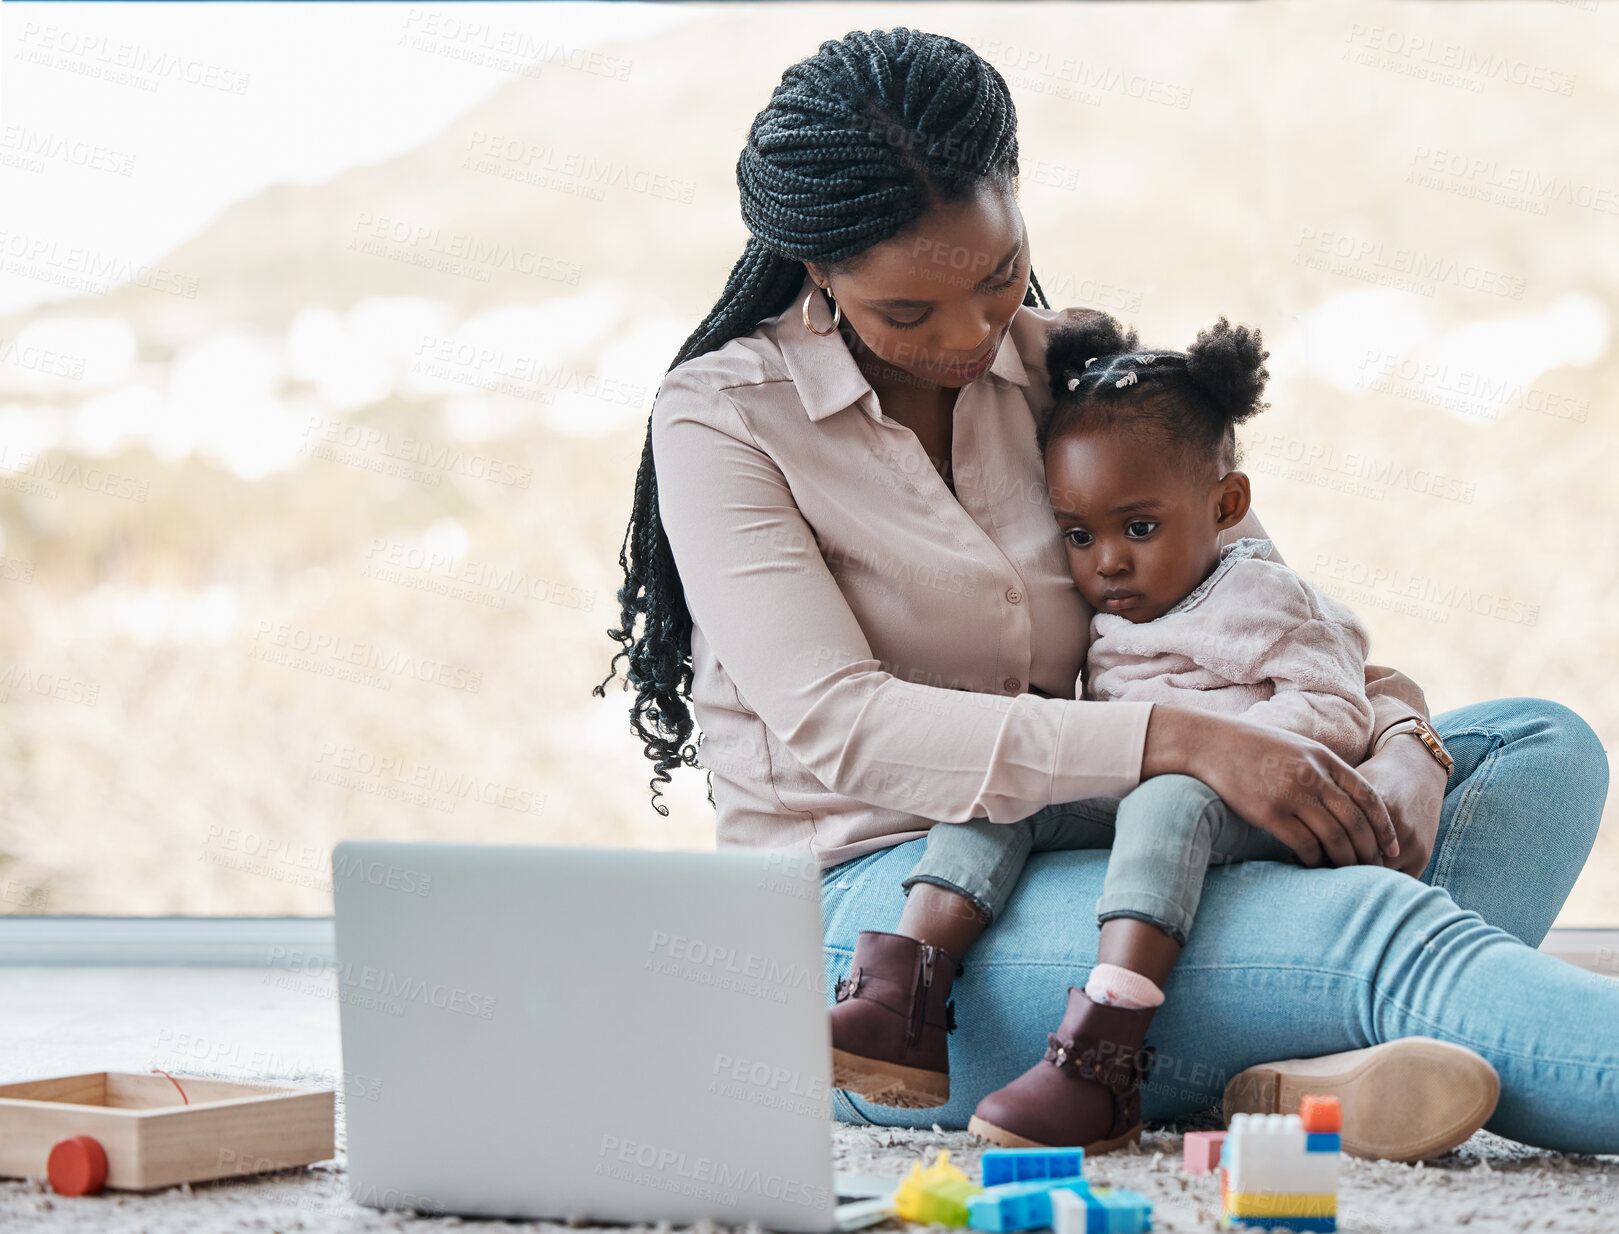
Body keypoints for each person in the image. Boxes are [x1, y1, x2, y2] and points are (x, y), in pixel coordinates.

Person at [596, 27, 1616, 1157]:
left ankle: (1246, 1065)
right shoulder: (724, 418)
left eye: (993, 281)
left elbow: (1253, 610)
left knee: (1535, 747)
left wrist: (1400, 747)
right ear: (815, 267)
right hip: (897, 917)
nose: (970, 337)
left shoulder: (1064, 369)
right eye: (907, 314)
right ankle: (1328, 1000)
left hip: (1106, 842)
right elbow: (841, 725)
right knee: (1374, 930)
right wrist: (1181, 744)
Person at [829, 309, 1410, 1154]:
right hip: (1138, 810)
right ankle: (901, 995)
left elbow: (1333, 708)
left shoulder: (1268, 601)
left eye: (1139, 529)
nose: (1104, 562)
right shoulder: (1121, 608)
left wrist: (1219, 748)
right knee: (1008, 790)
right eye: (1078, 535)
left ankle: (1101, 1061)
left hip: (1246, 815)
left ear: (1225, 506)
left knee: (1170, 794)